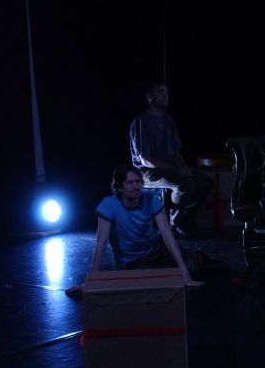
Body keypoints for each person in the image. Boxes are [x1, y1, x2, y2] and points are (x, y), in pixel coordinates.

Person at [87, 164, 203, 286]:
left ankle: (199, 260)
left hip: (157, 247)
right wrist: (92, 278)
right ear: (120, 187)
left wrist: (185, 274)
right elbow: (101, 242)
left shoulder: (151, 199)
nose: (135, 186)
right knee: (160, 281)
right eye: (130, 183)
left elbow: (168, 236)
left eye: (138, 182)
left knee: (193, 267)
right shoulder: (108, 205)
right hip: (134, 260)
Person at [129, 82, 214, 238]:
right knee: (184, 184)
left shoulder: (168, 119)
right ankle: (176, 224)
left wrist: (182, 167)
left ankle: (182, 220)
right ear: (150, 97)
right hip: (147, 171)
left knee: (206, 182)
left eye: (166, 92)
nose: (165, 96)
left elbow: (176, 150)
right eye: (160, 92)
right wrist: (174, 170)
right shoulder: (141, 121)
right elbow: (145, 159)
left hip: (169, 167)